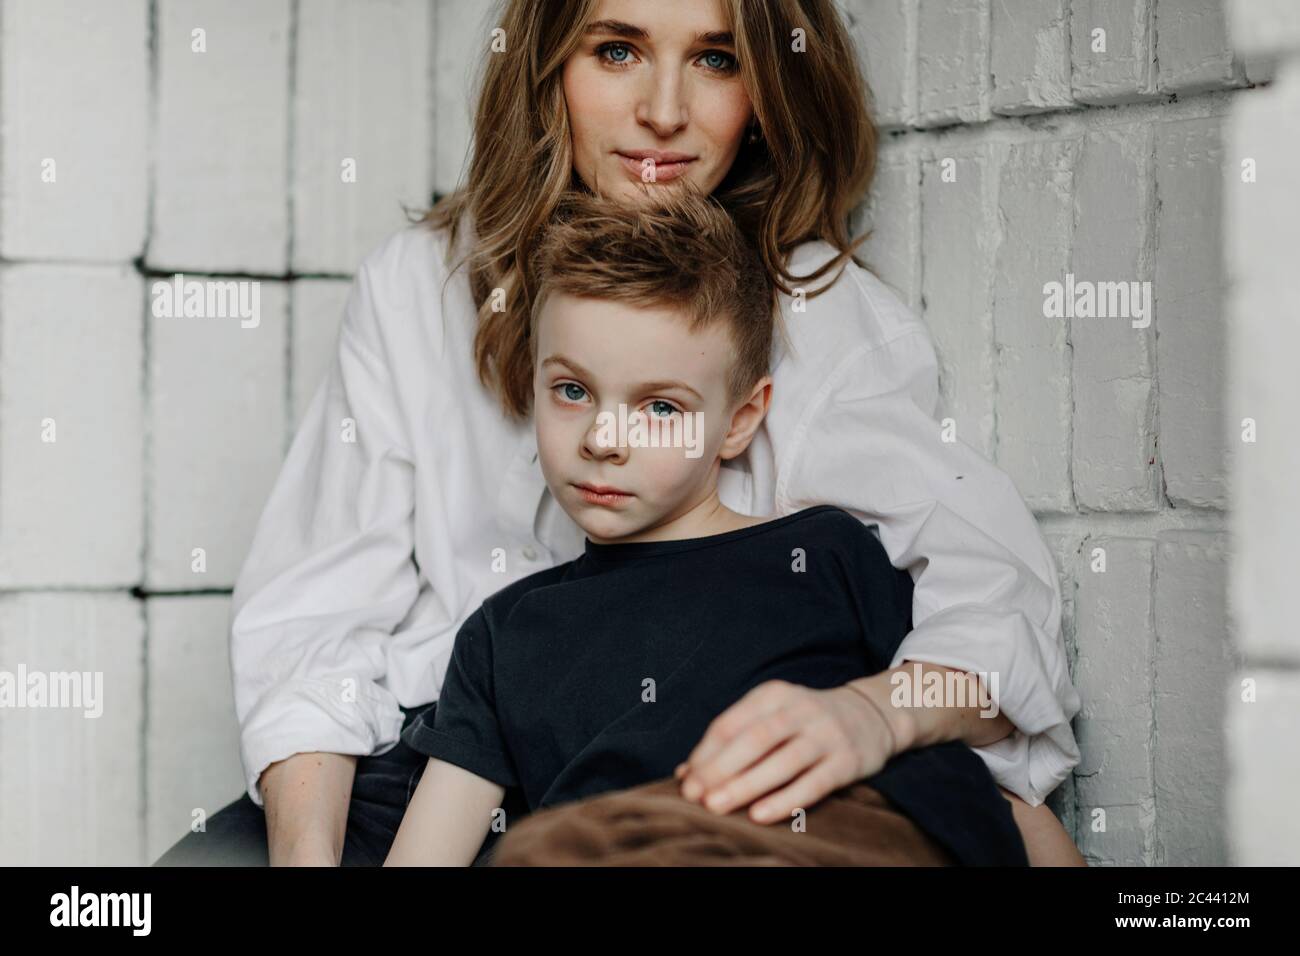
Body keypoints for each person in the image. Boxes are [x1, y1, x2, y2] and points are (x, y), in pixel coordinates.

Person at [154, 0, 1082, 868]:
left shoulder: (810, 306)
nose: (664, 111)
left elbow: (988, 601)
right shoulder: (419, 286)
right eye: (617, 49)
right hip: (415, 775)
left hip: (683, 781)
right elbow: (314, 620)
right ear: (548, 65)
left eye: (716, 59)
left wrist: (873, 716)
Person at [384, 189, 1032, 867]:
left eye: (661, 407)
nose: (604, 439)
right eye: (572, 391)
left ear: (742, 419)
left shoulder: (824, 554)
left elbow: (978, 733)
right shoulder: (503, 636)